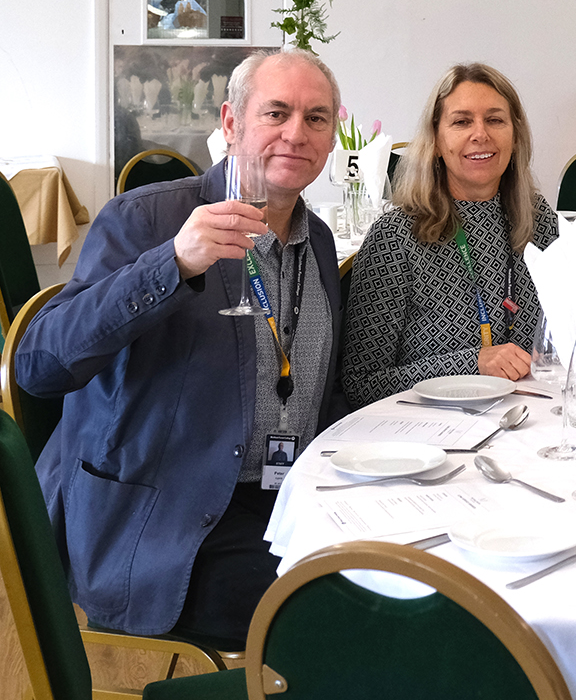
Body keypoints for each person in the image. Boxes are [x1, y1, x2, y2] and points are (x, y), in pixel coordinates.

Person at [16, 48, 345, 646]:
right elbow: (38, 365)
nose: (296, 133)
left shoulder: (317, 240)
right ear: (231, 123)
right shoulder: (149, 218)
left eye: (316, 118)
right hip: (168, 518)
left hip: (283, 501)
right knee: (328, 622)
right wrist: (169, 264)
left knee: (407, 587)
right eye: (276, 113)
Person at [342, 63, 557, 408]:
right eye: (461, 121)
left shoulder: (538, 221)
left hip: (528, 421)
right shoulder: (395, 237)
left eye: (495, 120)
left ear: (515, 137)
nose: (480, 134)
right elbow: (361, 385)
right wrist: (472, 364)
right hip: (429, 438)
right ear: (437, 140)